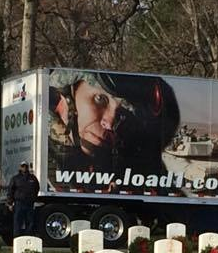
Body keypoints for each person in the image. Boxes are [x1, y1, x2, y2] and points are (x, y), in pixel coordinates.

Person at [47, 71, 180, 183]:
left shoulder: (133, 172)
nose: (110, 124)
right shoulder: (43, 154)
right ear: (67, 96)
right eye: (100, 99)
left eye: (122, 115)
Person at [7, 162, 40, 235]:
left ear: (28, 167)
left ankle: (28, 237)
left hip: (29, 203)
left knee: (30, 222)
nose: (24, 168)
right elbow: (10, 191)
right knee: (18, 222)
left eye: (26, 166)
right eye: (23, 166)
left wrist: (33, 198)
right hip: (19, 203)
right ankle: (17, 238)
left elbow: (37, 188)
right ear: (20, 167)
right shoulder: (15, 178)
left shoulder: (33, 178)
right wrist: (10, 203)